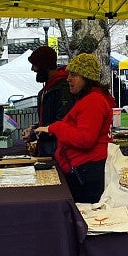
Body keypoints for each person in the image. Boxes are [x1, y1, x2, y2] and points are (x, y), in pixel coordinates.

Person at [35, 53, 114, 203]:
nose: (68, 78)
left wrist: (56, 127)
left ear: (87, 77)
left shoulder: (93, 101)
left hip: (87, 173)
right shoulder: (90, 99)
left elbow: (85, 139)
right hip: (85, 171)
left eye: (73, 75)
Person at [23, 46, 75, 157]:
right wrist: (35, 128)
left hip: (58, 153)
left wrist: (35, 133)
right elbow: (49, 120)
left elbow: (62, 122)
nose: (33, 69)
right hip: (48, 150)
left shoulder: (62, 89)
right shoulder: (47, 89)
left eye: (35, 65)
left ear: (44, 65)